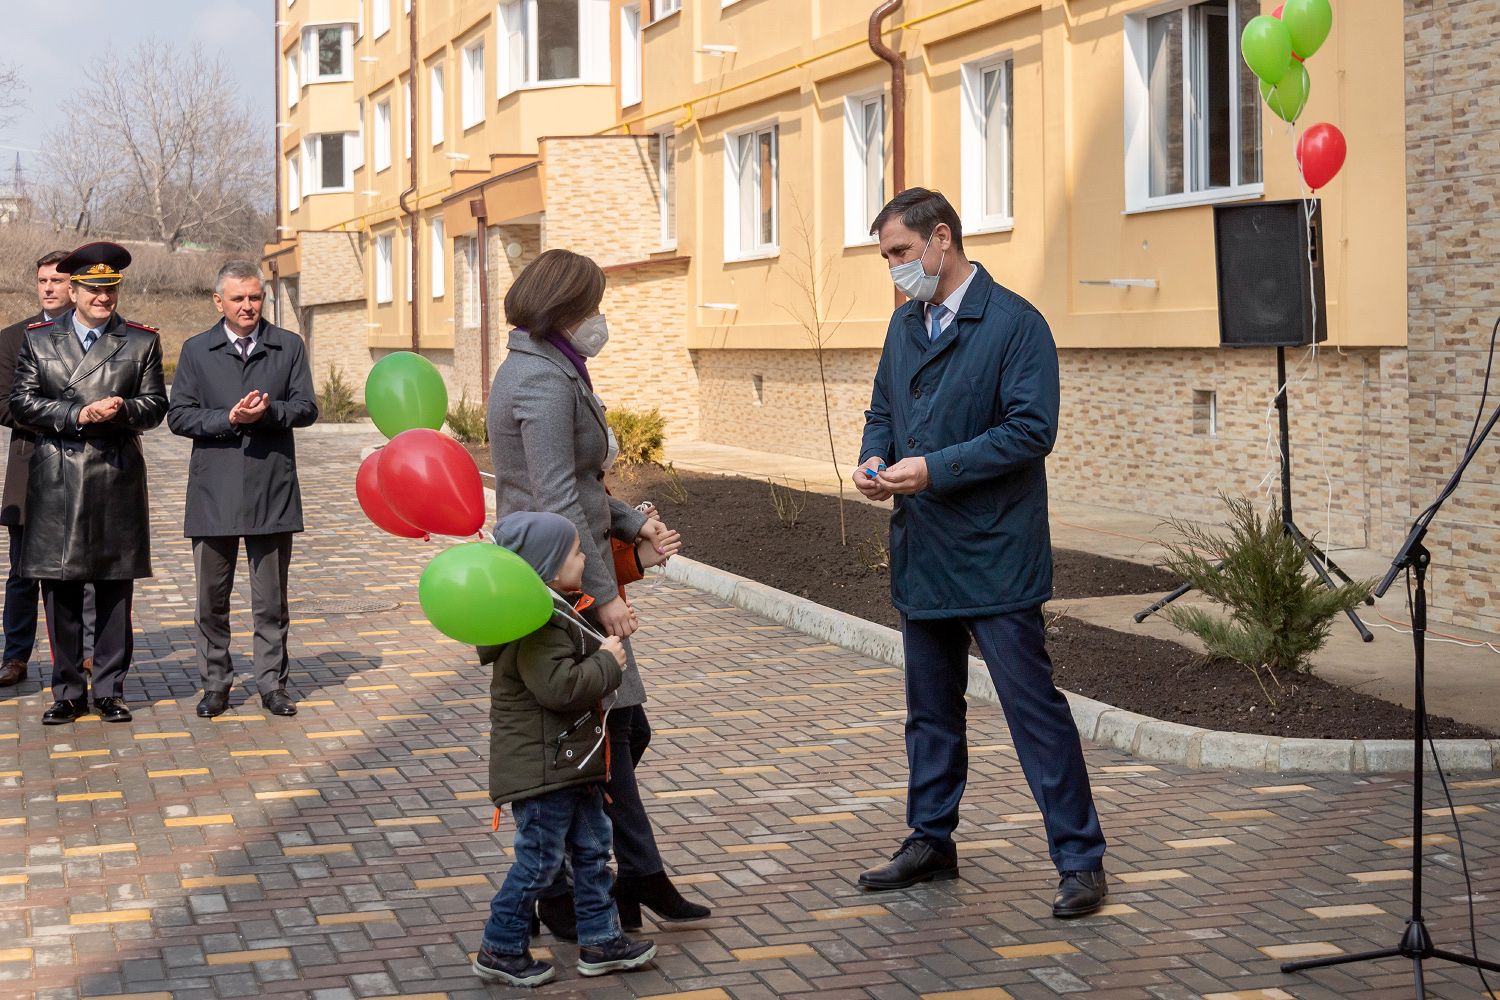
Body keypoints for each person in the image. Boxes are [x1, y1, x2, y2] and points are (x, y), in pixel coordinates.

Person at [852, 189, 1108, 918]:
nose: (894, 269)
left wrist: (934, 469)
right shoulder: (904, 324)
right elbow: (883, 409)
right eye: (886, 257)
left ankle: (1081, 861)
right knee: (930, 712)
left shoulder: (1017, 324)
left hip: (995, 553)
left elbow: (1031, 430)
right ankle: (930, 841)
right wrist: (874, 458)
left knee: (1033, 711)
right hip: (924, 550)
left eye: (901, 253)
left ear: (941, 239)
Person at [486, 248, 707, 938]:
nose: (599, 319)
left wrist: (634, 521)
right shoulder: (540, 379)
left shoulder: (557, 366)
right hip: (558, 578)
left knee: (619, 730)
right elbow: (556, 499)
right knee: (602, 734)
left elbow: (582, 484)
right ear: (563, 308)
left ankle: (616, 875)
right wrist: (605, 594)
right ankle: (569, 882)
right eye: (592, 306)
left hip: (574, 565)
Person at [472, 511, 657, 987]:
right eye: (576, 552)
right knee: (539, 864)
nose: (584, 558)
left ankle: (601, 940)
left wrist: (606, 646)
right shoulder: (538, 624)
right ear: (549, 567)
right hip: (544, 773)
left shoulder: (558, 610)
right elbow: (560, 688)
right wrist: (607, 663)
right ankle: (499, 947)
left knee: (592, 854)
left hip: (572, 764)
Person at [9, 242, 167, 724]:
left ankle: (110, 690)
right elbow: (21, 402)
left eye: (110, 289)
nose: (103, 298)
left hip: (115, 475)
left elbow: (156, 405)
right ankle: (68, 692)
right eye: (94, 289)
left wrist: (124, 409)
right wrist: (78, 413)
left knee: (115, 589)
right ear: (73, 291)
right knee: (60, 589)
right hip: (57, 477)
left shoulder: (140, 341)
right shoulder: (39, 339)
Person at [167, 261, 319, 719]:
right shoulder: (197, 350)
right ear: (219, 302)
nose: (248, 306)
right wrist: (228, 418)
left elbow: (307, 407)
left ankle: (272, 685)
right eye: (238, 298)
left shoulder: (288, 345)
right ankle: (216, 684)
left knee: (271, 601)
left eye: (255, 297)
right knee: (210, 601)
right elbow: (179, 416)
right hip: (213, 492)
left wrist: (269, 414)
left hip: (271, 488)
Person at [0, 250, 93, 687]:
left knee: (87, 569)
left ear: (75, 287)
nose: (50, 288)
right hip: (32, 465)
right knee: (23, 571)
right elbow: (5, 405)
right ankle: (15, 655)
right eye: (43, 281)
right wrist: (67, 415)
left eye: (58, 280)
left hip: (88, 466)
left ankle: (87, 653)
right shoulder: (12, 338)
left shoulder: (95, 335)